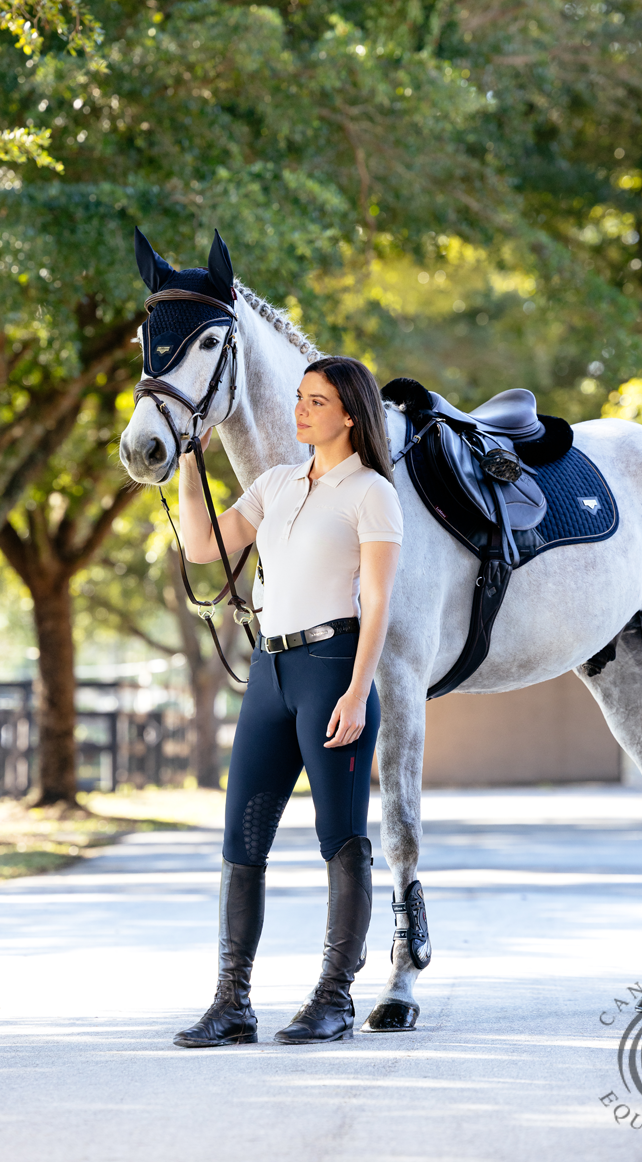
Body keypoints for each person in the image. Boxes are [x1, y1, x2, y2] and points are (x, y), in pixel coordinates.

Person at [172, 356, 402, 1046]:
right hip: (269, 675)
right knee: (242, 842)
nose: (300, 410)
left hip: (334, 670)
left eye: (317, 401)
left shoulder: (371, 493)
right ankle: (232, 1004)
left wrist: (359, 692)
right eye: (300, 398)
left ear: (351, 415)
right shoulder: (274, 483)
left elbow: (380, 598)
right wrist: (190, 461)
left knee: (341, 838)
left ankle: (333, 999)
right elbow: (203, 544)